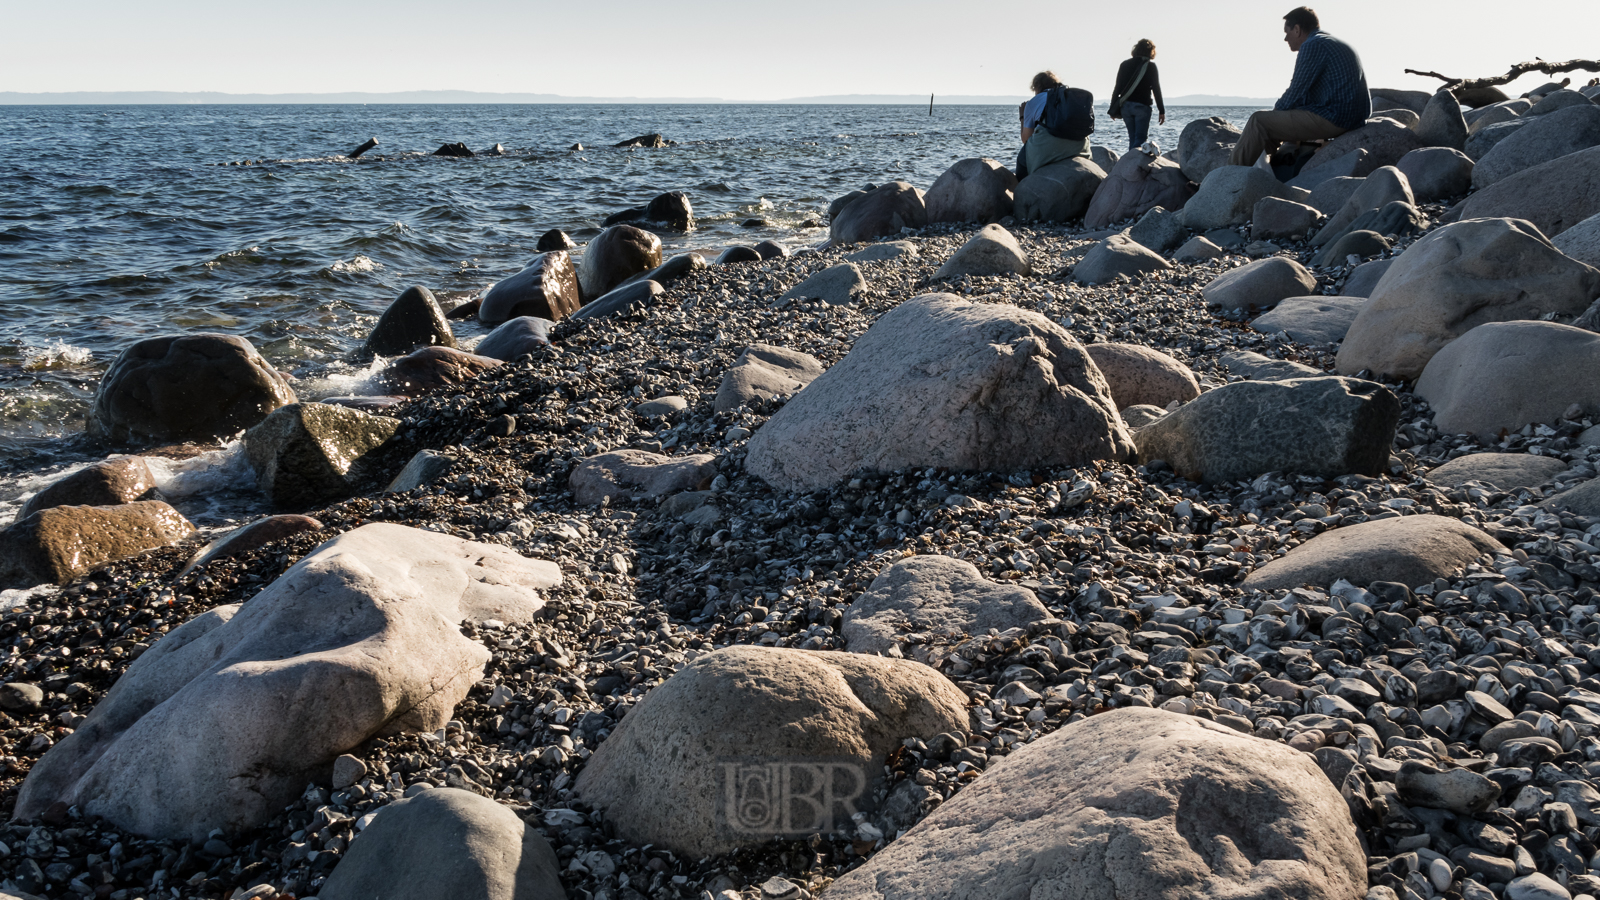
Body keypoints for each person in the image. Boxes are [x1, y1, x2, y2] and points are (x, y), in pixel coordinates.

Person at [1229, 6, 1371, 167]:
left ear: (1297, 29)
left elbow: (1296, 90)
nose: (1285, 38)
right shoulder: (1330, 42)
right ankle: (1260, 169)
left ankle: (1226, 178)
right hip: (1353, 116)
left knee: (1258, 121)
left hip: (1337, 118)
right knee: (1273, 123)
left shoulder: (1312, 45)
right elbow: (1306, 94)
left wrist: (1274, 115)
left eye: (1286, 32)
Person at [1015, 71, 1092, 179]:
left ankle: (1022, 189)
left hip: (1050, 151)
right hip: (1080, 149)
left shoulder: (1033, 102)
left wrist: (1022, 117)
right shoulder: (1070, 98)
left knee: (1022, 158)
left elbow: (1026, 139)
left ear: (1036, 87)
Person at [1110, 39, 1166, 149]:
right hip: (1142, 106)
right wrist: (1161, 110)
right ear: (1151, 52)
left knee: (1132, 138)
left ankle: (1129, 162)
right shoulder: (1150, 66)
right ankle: (1135, 163)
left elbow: (1117, 88)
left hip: (1126, 106)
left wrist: (1113, 108)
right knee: (1140, 139)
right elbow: (1156, 89)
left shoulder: (1124, 65)